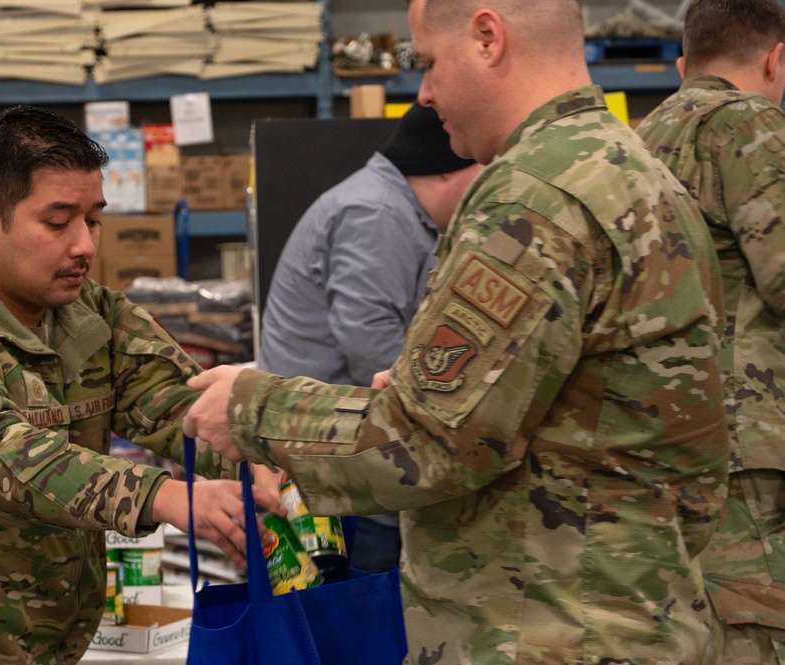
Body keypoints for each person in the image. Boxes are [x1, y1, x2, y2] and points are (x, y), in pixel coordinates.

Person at [184, 0, 731, 663]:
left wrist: (249, 407)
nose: (423, 92)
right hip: (634, 610)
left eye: (428, 62)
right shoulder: (635, 169)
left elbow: (427, 444)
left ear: (486, 36)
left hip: (544, 628)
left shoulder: (533, 197)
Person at [0, 105, 280, 665]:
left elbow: (182, 407)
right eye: (58, 221)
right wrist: (164, 496)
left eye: (93, 219)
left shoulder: (96, 318)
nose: (86, 245)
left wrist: (259, 459)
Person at [258, 103, 482, 573]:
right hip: (341, 488)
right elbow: (371, 346)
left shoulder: (397, 210)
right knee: (360, 629)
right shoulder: (375, 213)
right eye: (482, 170)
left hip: (350, 468)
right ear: (448, 171)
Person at [635, 1, 785, 662]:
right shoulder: (748, 124)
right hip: (746, 434)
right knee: (753, 630)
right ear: (775, 58)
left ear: (682, 62)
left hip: (661, 431)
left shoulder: (636, 139)